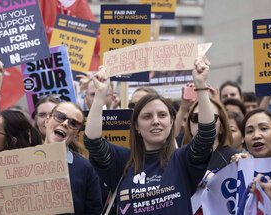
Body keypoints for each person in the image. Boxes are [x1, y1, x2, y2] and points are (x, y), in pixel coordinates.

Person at [84, 56, 217, 214]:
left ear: (171, 121)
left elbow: (206, 136)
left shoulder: (182, 160)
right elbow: (93, 142)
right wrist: (100, 95)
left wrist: (201, 87)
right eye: (147, 116)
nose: (155, 121)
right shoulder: (121, 161)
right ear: (136, 126)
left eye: (162, 115)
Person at [0, 55, 102, 214]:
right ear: (47, 120)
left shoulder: (84, 168)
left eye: (73, 123)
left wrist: (100, 95)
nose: (64, 123)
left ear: (76, 134)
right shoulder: (19, 158)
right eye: (60, 117)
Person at [181, 97, 239, 173]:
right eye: (196, 117)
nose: (202, 123)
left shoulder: (235, 158)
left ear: (222, 127)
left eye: (210, 118)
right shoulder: (178, 157)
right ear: (189, 124)